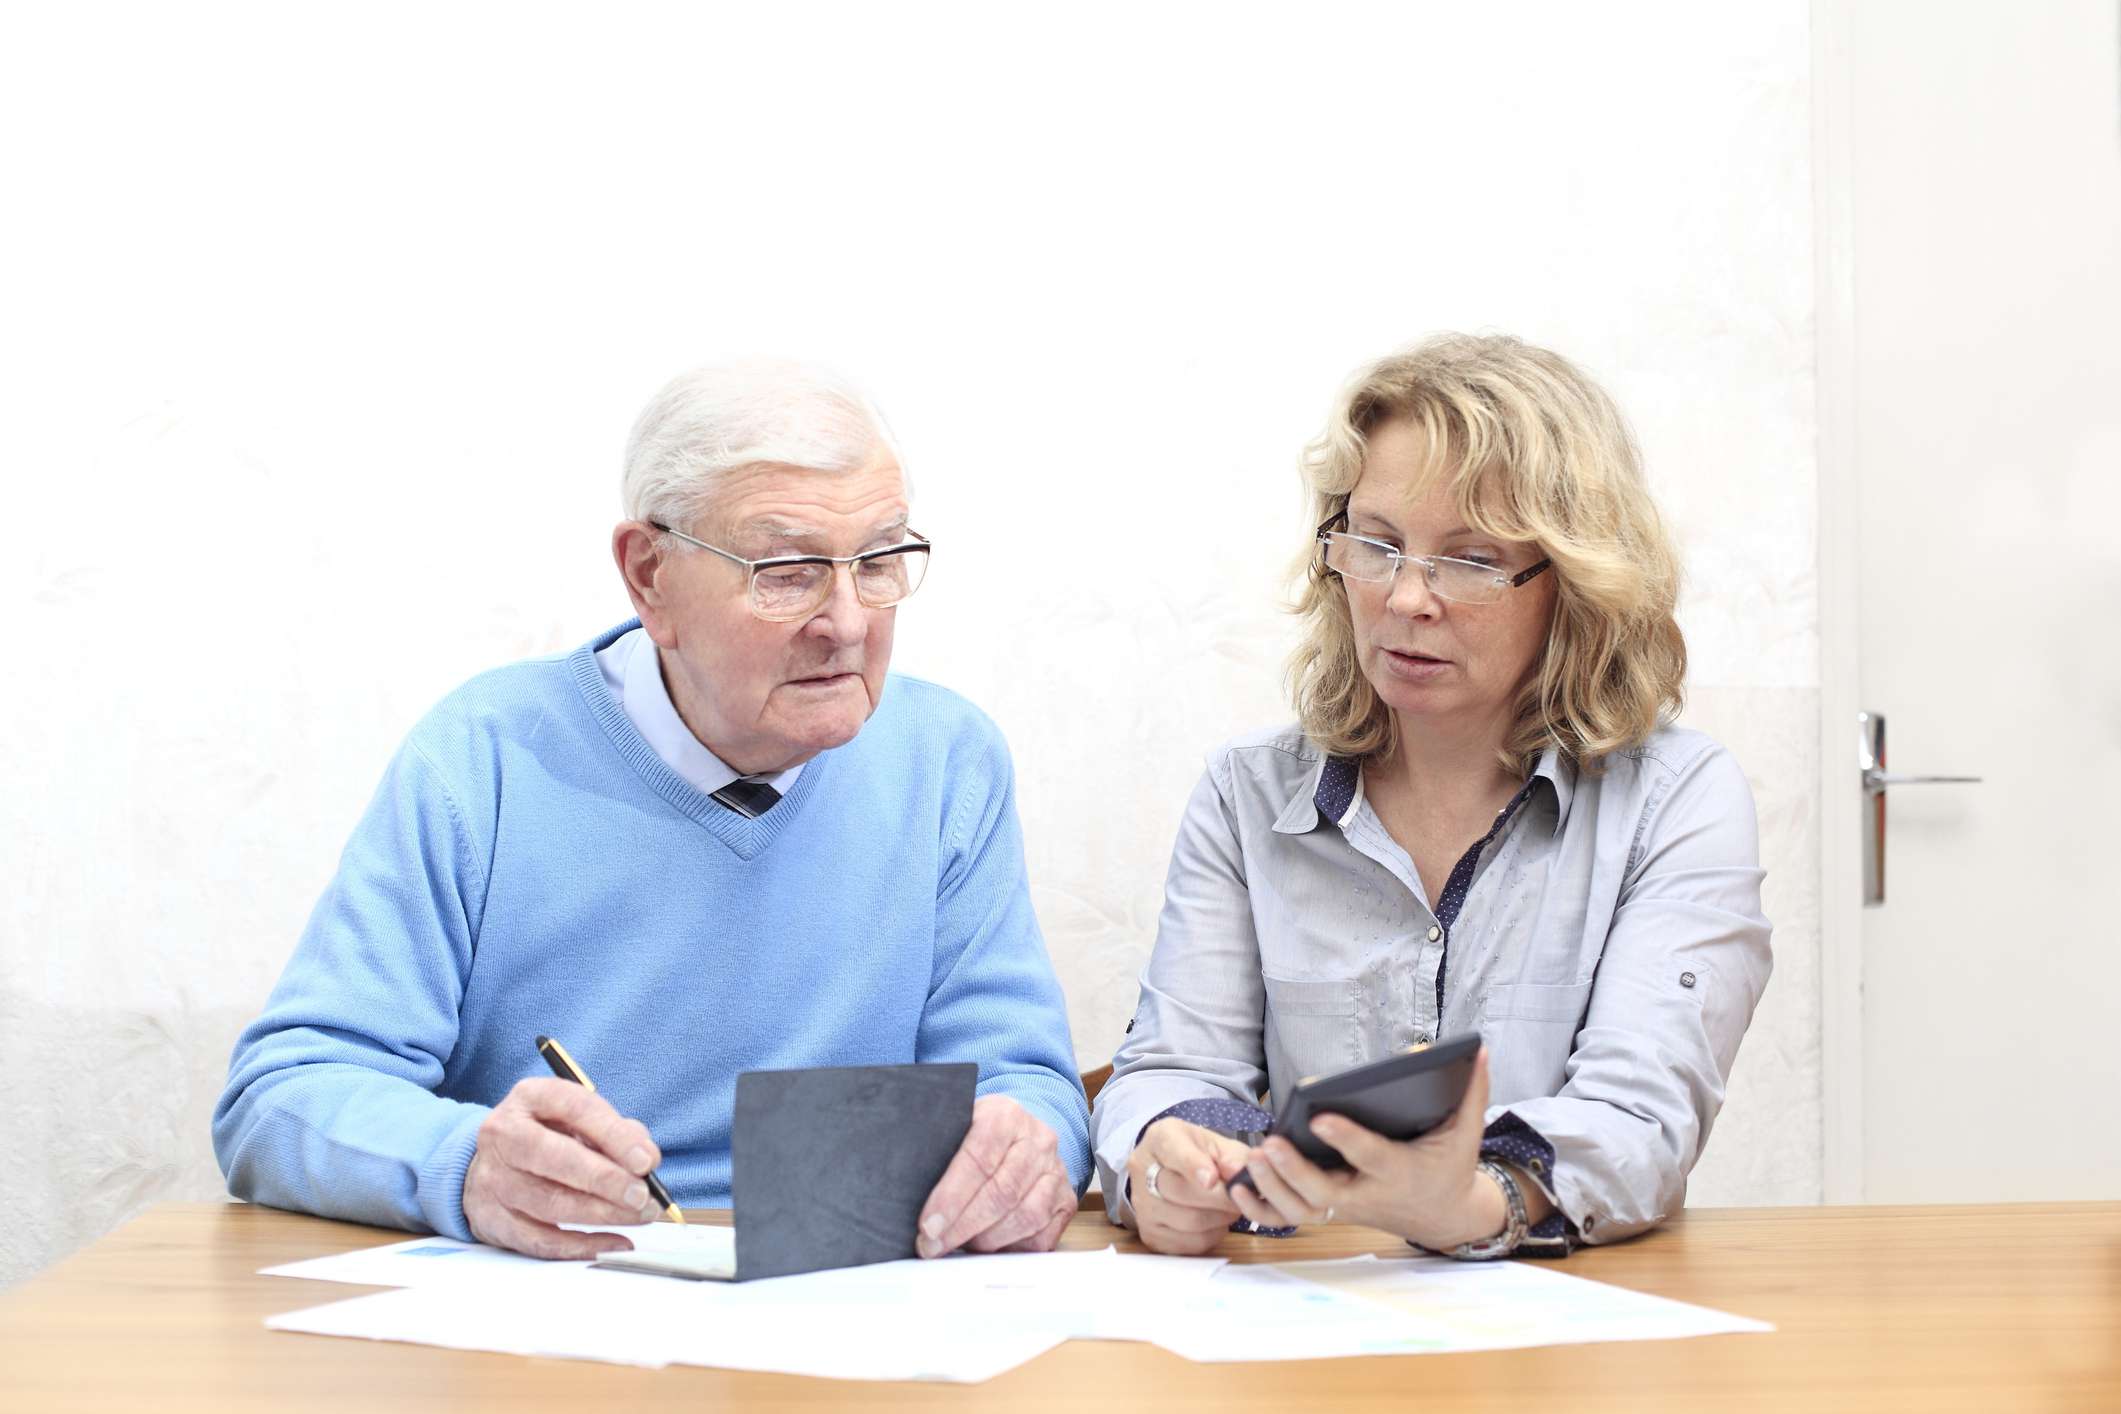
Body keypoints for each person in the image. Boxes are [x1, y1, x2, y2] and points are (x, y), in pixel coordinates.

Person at [214, 359, 1087, 1260]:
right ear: (650, 576)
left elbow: (1027, 1084)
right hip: (558, 1312)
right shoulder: (485, 755)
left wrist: (1026, 1148)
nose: (849, 622)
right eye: (787, 572)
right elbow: (282, 1097)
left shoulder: (948, 760)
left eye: (877, 562)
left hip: (852, 1309)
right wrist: (463, 1163)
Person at [1091, 334, 1772, 1258]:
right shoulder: (1246, 792)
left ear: (1572, 584)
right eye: (1376, 545)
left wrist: (1468, 1199)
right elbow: (1171, 1068)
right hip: (1303, 1320)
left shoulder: (1676, 799)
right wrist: (1164, 1161)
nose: (1407, 597)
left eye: (1471, 559)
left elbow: (1640, 1119)